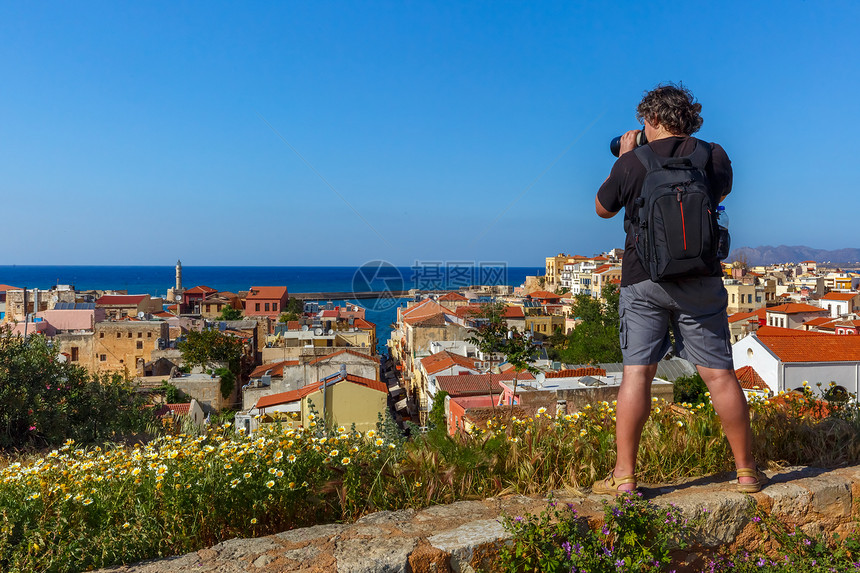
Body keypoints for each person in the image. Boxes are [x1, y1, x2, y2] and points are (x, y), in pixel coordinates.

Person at [593, 83, 765, 494]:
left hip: (644, 281)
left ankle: (624, 477)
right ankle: (745, 472)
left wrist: (623, 157)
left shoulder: (633, 162)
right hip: (702, 279)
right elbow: (719, 192)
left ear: (651, 119)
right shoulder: (713, 154)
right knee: (721, 377)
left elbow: (602, 208)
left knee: (638, 374)